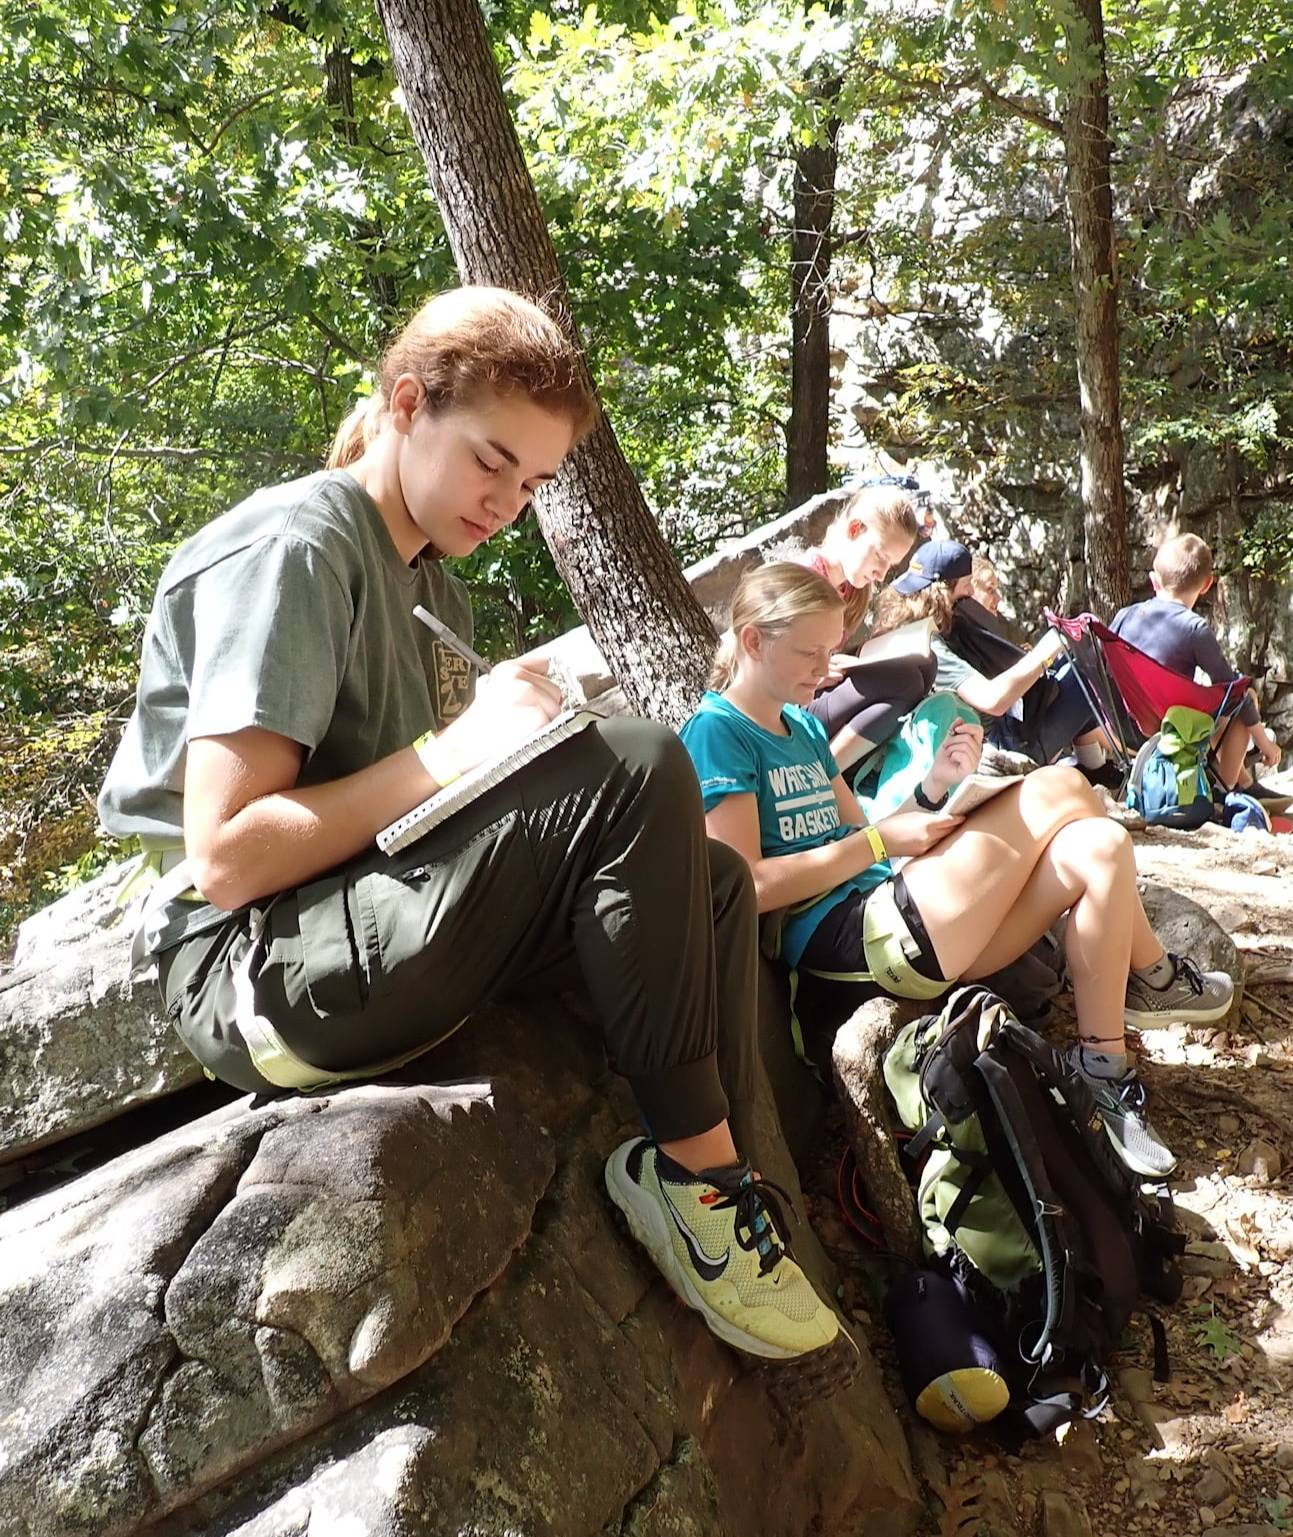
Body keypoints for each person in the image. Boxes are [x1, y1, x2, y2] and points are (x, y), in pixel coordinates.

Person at [96, 286, 838, 1363]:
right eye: (493, 461)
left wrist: (511, 752)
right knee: (636, 761)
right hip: (253, 969)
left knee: (709, 876)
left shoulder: (429, 586)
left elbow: (412, 817)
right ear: (408, 404)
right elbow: (223, 857)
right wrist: (461, 749)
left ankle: (736, 1188)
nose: (509, 503)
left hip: (354, 921)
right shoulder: (301, 545)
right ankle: (702, 1185)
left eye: (533, 482)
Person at [678, 562, 1235, 1178]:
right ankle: (1154, 977)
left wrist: (932, 791)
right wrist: (876, 842)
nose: (825, 670)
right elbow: (746, 887)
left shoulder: (802, 724)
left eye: (831, 650)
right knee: (1061, 786)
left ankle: (1103, 1076)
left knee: (1100, 843)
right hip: (847, 944)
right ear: (753, 640)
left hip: (896, 909)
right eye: (810, 653)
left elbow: (862, 835)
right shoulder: (717, 734)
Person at [873, 539, 1115, 783]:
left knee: (1067, 674)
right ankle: (1099, 767)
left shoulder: (923, 630)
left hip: (989, 741)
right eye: (967, 586)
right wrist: (1046, 652)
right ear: (943, 591)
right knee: (1083, 672)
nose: (969, 595)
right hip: (994, 756)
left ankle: (1096, 769)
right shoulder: (928, 645)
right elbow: (992, 700)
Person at [1110, 533, 1285, 801]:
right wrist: (1265, 743)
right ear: (1207, 585)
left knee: (1214, 699)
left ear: (1154, 580)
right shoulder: (1194, 628)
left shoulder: (1125, 616)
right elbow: (1232, 690)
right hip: (1174, 732)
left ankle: (1245, 783)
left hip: (1122, 729)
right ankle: (1226, 790)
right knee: (1244, 696)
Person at [793, 483, 927, 770]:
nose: (880, 575)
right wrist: (814, 669)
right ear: (855, 530)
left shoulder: (852, 590)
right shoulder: (803, 580)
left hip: (819, 694)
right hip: (791, 706)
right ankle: (824, 773)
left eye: (890, 566)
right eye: (880, 556)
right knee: (906, 681)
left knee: (925, 666)